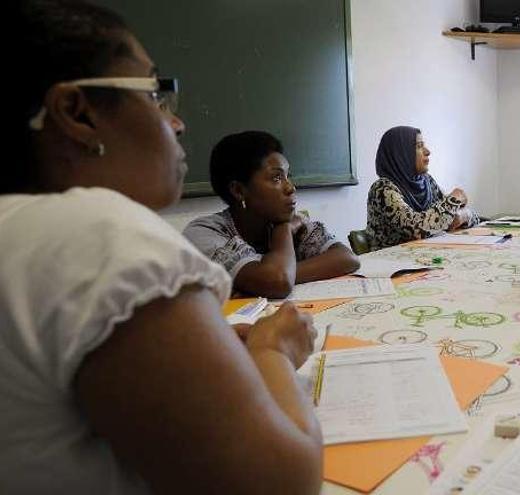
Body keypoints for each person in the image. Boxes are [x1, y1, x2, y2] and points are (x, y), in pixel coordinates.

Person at [2, 1, 322, 493]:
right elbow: (280, 483)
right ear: (77, 113)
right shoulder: (96, 233)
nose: (177, 123)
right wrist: (272, 349)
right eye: (156, 94)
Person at [184, 131, 360, 299]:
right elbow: (279, 281)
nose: (291, 188)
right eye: (276, 178)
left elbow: (347, 258)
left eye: (287, 176)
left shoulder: (286, 221)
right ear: (238, 190)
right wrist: (284, 233)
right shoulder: (204, 233)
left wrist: (282, 271)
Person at [366, 126, 480, 249]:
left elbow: (465, 216)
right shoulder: (383, 189)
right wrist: (453, 200)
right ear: (401, 153)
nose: (427, 151)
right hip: (392, 264)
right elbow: (417, 228)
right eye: (419, 146)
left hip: (428, 256)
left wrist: (463, 215)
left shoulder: (427, 182)